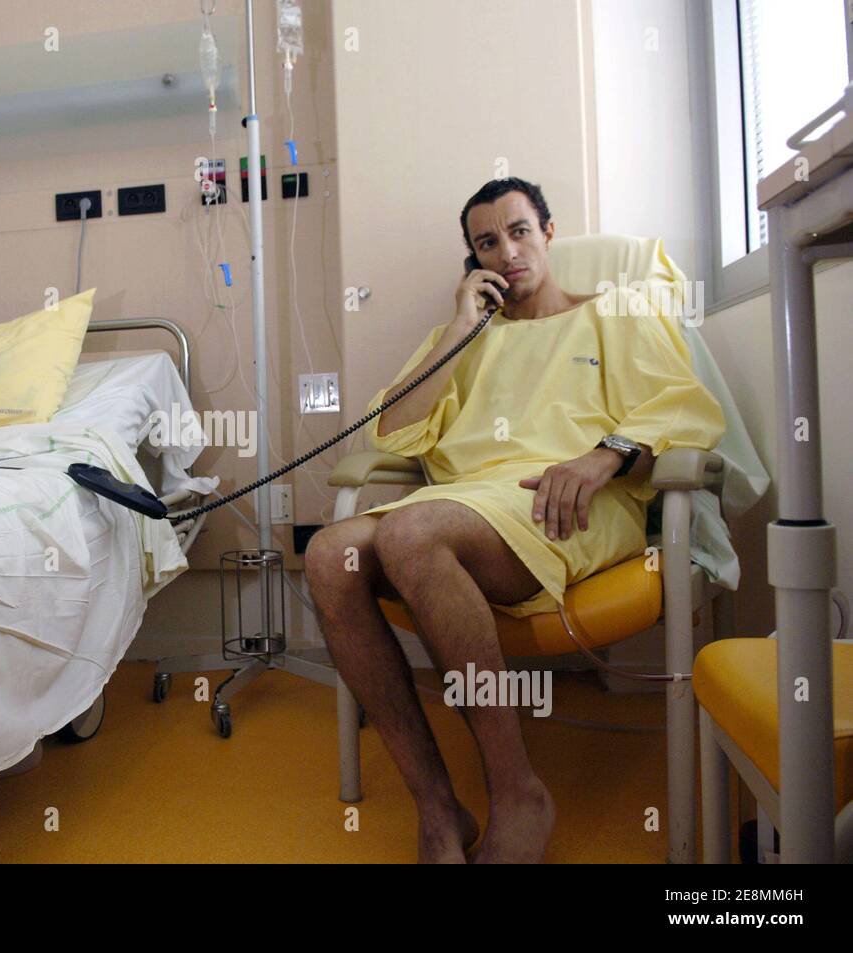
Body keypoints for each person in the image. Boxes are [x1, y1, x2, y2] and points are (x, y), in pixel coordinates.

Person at [304, 177, 725, 863]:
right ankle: (439, 808)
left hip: (569, 504)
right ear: (473, 262)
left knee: (410, 532)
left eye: (520, 231)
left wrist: (605, 454)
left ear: (549, 233)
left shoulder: (615, 312)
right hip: (463, 505)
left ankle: (517, 791)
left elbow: (685, 409)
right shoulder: (466, 340)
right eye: (486, 243)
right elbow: (394, 433)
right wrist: (463, 329)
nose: (508, 251)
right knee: (328, 555)